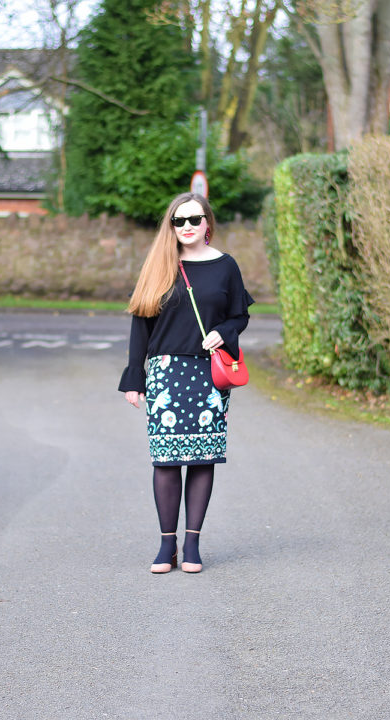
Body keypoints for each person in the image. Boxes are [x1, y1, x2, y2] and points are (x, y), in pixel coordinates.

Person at [118, 192, 254, 574]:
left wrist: (222, 332)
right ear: (172, 226)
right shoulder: (160, 265)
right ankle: (167, 547)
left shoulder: (226, 266)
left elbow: (239, 315)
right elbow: (140, 324)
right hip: (165, 372)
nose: (188, 226)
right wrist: (135, 378)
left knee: (201, 458)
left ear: (208, 222)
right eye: (180, 221)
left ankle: (192, 544)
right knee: (165, 460)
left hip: (207, 375)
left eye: (195, 219)